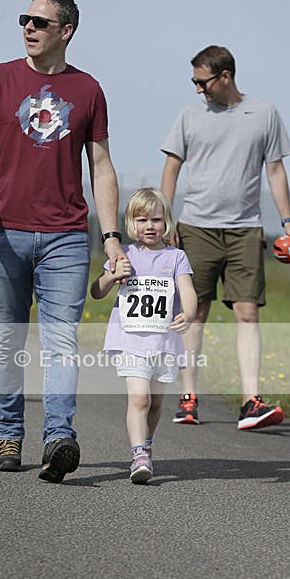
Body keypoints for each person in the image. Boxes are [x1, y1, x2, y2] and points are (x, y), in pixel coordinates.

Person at [0, 0, 125, 481]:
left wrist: (111, 236)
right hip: (3, 233)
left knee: (61, 341)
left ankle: (59, 437)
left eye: (39, 21)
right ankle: (8, 430)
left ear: (65, 31)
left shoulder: (88, 89)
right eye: (23, 19)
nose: (28, 27)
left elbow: (102, 169)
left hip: (67, 236)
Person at [160, 45, 290, 430]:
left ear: (225, 76)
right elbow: (172, 168)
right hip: (196, 227)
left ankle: (250, 403)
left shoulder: (264, 113)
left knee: (247, 312)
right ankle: (188, 399)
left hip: (245, 228)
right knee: (195, 312)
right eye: (193, 81)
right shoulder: (189, 116)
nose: (197, 89)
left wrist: (288, 222)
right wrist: (166, 218)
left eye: (201, 81)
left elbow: (275, 171)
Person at [91, 188, 196, 483]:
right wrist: (112, 275)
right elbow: (97, 292)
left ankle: (146, 444)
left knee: (156, 403)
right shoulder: (123, 255)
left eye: (156, 219)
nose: (149, 226)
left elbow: (188, 291)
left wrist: (187, 314)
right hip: (131, 341)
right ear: (130, 223)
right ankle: (138, 454)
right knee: (139, 399)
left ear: (167, 223)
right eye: (142, 220)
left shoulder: (176, 257)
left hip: (164, 342)